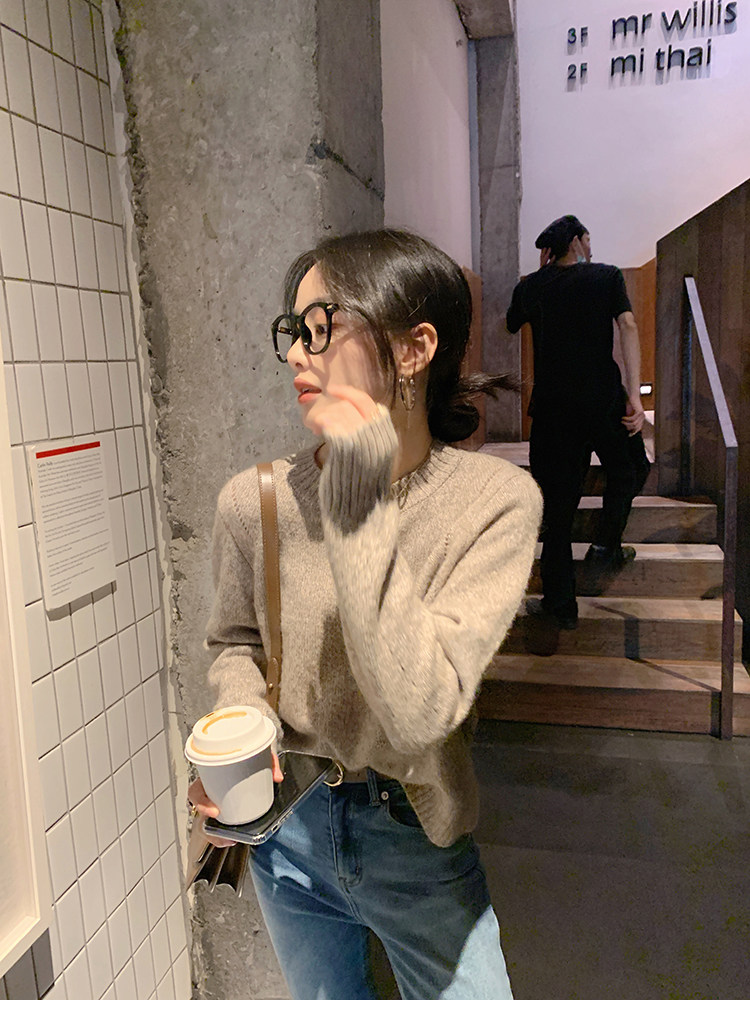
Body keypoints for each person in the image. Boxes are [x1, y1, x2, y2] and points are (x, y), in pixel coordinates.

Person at [188, 228, 542, 1000]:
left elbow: (420, 713)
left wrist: (356, 487)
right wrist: (241, 731)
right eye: (293, 330)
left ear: (415, 348)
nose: (296, 352)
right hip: (289, 829)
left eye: (322, 326)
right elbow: (236, 642)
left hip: (415, 832)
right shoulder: (255, 501)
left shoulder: (492, 504)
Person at [506, 215, 651, 631]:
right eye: (587, 239)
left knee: (557, 507)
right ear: (575, 241)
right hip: (602, 400)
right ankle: (606, 544)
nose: (591, 247)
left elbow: (510, 323)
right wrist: (634, 394)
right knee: (631, 468)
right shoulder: (606, 276)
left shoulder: (532, 286)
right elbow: (628, 324)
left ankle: (560, 606)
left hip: (554, 410)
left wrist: (538, 277)